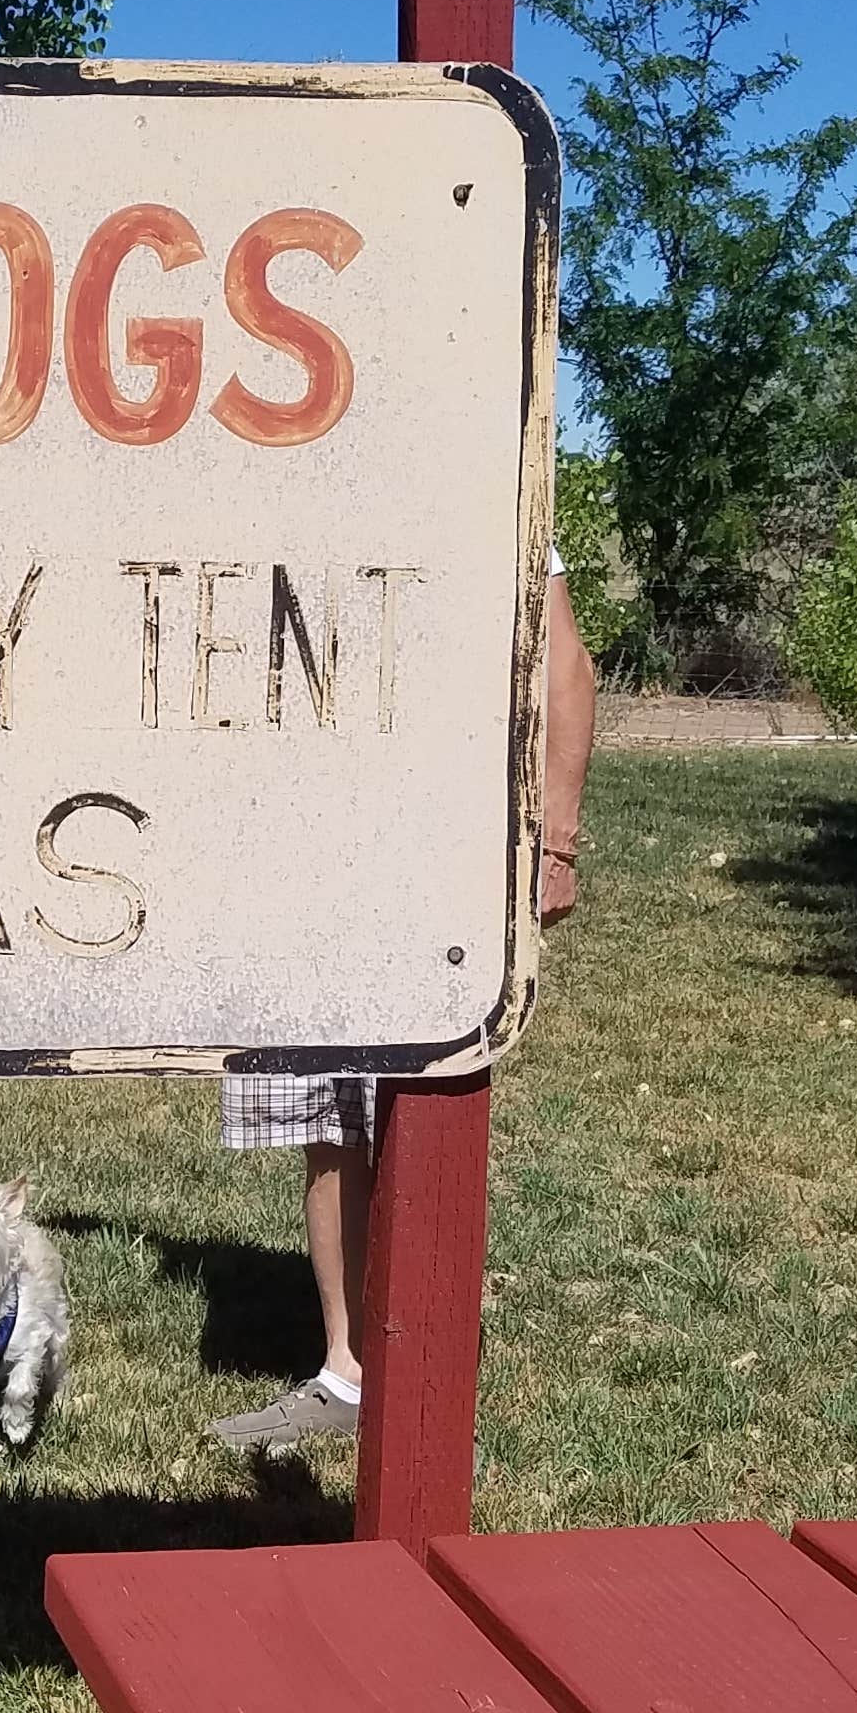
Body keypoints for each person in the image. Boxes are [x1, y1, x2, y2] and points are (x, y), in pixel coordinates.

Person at [207, 548, 599, 1452]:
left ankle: (424, 1351)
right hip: (298, 848)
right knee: (320, 1107)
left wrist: (557, 842)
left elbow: (563, 663)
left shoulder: (484, 453)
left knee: (426, 1102)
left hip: (430, 846)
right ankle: (348, 1370)